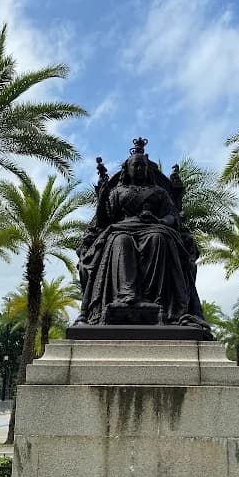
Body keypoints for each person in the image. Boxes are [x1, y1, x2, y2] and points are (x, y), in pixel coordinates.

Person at [75, 139, 208, 336]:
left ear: (148, 169)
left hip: (154, 227)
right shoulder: (117, 192)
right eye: (135, 165)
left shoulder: (159, 192)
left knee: (159, 239)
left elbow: (173, 217)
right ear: (127, 169)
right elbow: (103, 221)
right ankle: (127, 295)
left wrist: (159, 221)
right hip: (121, 229)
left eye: (142, 165)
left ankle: (159, 301)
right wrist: (102, 198)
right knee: (121, 240)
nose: (139, 168)